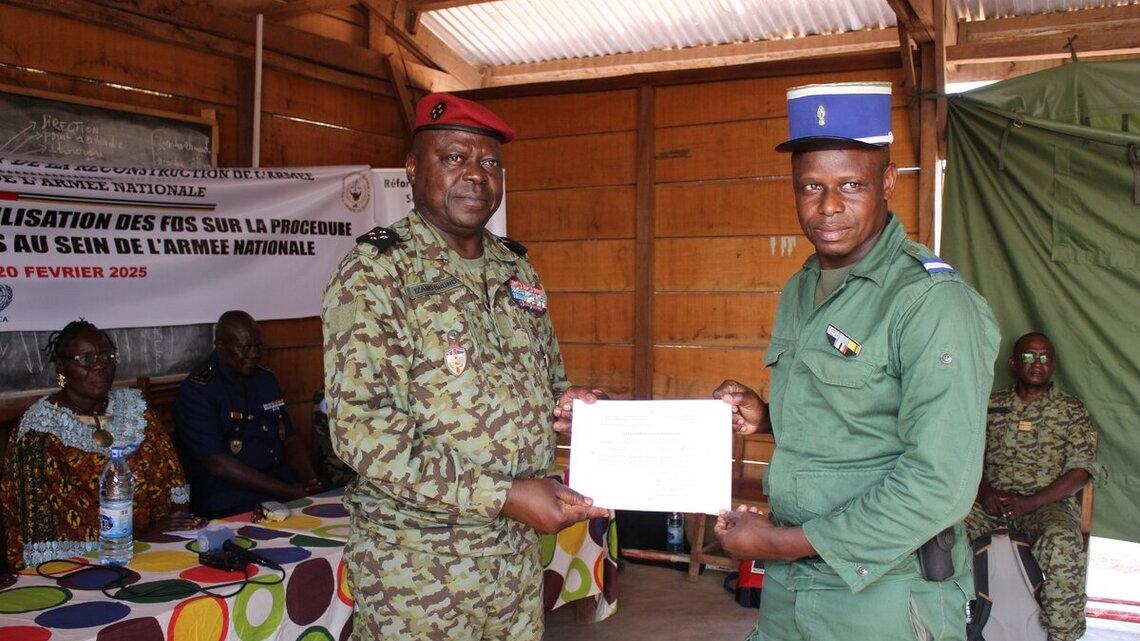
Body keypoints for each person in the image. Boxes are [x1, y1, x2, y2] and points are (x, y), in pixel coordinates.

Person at [711, 81, 1001, 641]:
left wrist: (781, 543)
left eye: (851, 184)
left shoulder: (932, 302)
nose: (828, 206)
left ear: (888, 182)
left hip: (885, 595)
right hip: (791, 588)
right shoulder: (802, 287)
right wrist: (764, 416)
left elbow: (939, 482)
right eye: (811, 186)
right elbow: (849, 415)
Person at [322, 92, 608, 641]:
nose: (476, 175)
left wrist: (571, 406)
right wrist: (504, 496)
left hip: (514, 559)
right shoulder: (376, 274)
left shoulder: (515, 266)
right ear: (412, 168)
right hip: (418, 568)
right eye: (454, 158)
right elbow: (362, 431)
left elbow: (549, 380)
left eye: (490, 162)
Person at [1, 320, 194, 570]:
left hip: (158, 549)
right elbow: (44, 528)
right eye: (86, 358)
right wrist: (140, 537)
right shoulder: (39, 431)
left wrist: (176, 527)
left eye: (107, 356)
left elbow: (172, 476)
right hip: (81, 566)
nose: (100, 365)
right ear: (61, 366)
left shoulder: (134, 408)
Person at [965, 332, 1103, 641]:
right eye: (1028, 356)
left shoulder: (1070, 409)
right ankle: (954, 625)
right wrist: (984, 493)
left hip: (1046, 505)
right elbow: (967, 457)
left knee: (1062, 542)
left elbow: (1081, 471)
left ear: (1052, 364)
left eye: (1044, 357)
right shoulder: (991, 404)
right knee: (943, 533)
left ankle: (1062, 634)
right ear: (1013, 363)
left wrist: (1029, 503)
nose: (1036, 363)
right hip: (989, 503)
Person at [174, 310, 321, 517]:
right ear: (220, 346)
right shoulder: (198, 390)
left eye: (258, 347)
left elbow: (289, 438)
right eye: (245, 348)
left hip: (280, 482)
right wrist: (287, 492)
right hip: (230, 495)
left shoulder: (265, 379)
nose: (254, 354)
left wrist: (310, 478)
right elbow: (216, 463)